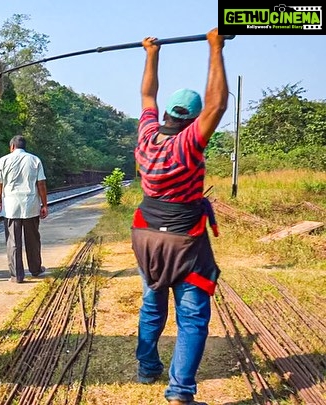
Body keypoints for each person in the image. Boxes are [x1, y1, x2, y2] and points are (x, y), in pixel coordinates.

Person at [131, 28, 228, 405]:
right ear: (191, 121)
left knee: (152, 302)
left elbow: (146, 95)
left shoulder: (147, 135)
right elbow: (217, 106)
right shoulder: (188, 143)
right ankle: (180, 392)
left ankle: (146, 367)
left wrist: (151, 54)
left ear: (168, 114)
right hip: (183, 240)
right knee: (191, 315)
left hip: (146, 238)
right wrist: (215, 48)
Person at [0, 135, 48, 283]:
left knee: (13, 241)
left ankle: (17, 276)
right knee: (33, 240)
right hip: (31, 205)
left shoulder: (3, 160)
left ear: (12, 147)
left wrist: (0, 201)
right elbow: (41, 184)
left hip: (10, 206)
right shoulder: (35, 160)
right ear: (24, 146)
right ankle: (35, 269)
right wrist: (44, 204)